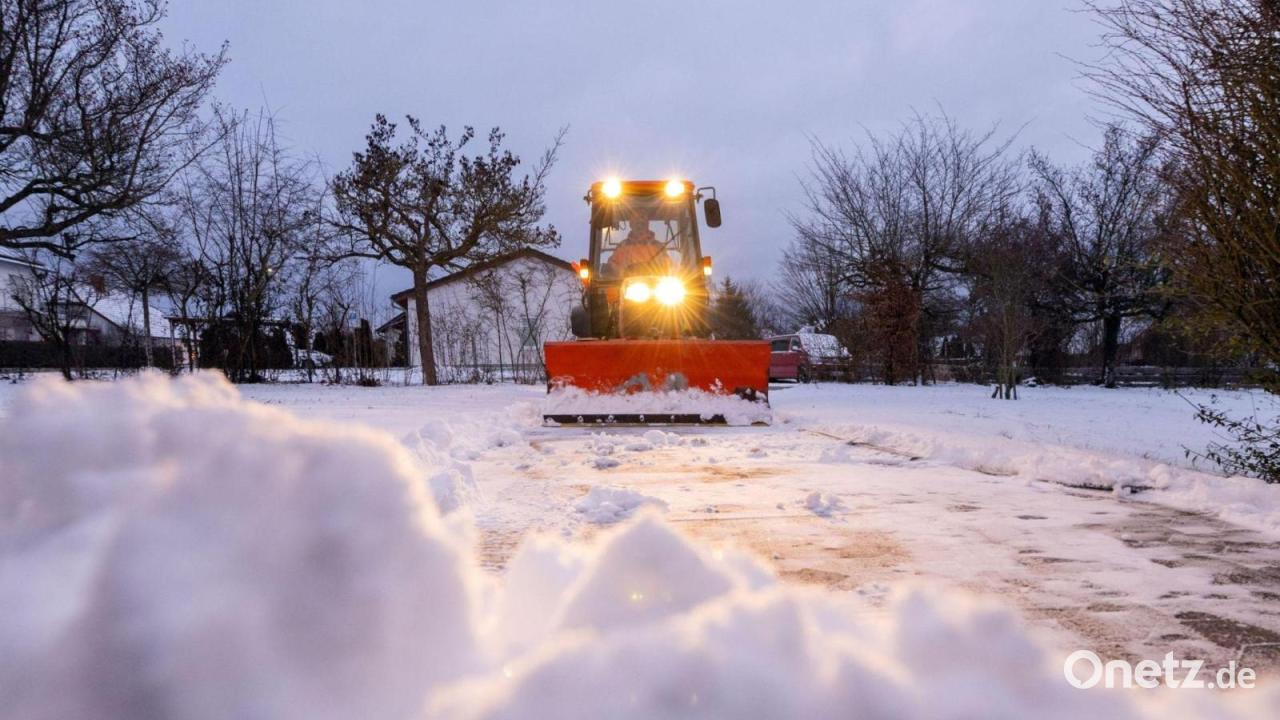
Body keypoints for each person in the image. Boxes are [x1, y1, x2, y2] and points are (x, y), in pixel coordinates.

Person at [605, 211, 667, 276]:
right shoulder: (622, 246)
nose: (640, 222)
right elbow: (612, 267)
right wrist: (622, 273)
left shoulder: (658, 247)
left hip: (655, 284)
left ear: (647, 224)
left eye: (642, 220)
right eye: (636, 220)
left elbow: (667, 268)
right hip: (624, 284)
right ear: (631, 224)